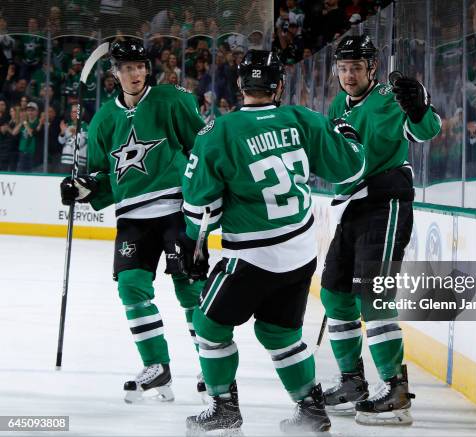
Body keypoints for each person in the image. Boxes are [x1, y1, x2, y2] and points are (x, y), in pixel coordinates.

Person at [179, 49, 366, 435]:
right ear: (279, 85)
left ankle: (224, 408)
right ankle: (311, 411)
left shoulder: (220, 132)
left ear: (240, 85)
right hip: (300, 251)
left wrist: (196, 245)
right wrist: (349, 136)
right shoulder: (303, 119)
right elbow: (350, 168)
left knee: (208, 324)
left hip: (251, 256)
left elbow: (199, 208)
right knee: (279, 333)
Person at [59, 39, 206, 403]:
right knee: (131, 287)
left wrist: (204, 200)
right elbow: (101, 177)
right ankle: (157, 367)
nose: (135, 73)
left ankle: (211, 367)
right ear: (114, 73)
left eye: (140, 66)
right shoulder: (104, 121)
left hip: (176, 209)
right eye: (126, 68)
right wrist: (82, 189)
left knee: (189, 289)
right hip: (132, 220)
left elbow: (201, 148)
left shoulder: (172, 100)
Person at [320, 34, 442, 426]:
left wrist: (420, 108)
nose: (348, 75)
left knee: (374, 296)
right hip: (351, 209)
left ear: (371, 68)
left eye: (356, 67)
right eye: (342, 68)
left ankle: (395, 390)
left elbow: (427, 131)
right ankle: (352, 382)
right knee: (335, 295)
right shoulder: (339, 104)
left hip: (385, 205)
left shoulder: (390, 97)